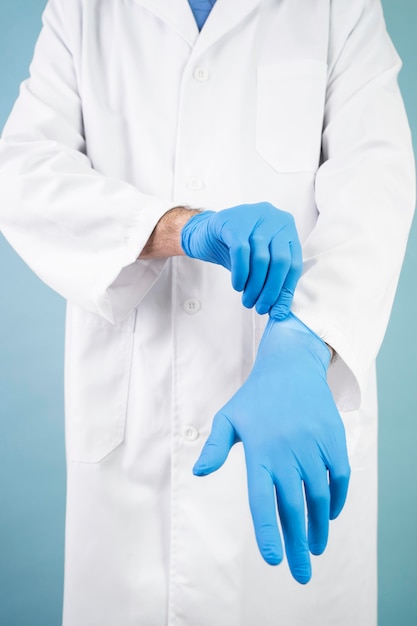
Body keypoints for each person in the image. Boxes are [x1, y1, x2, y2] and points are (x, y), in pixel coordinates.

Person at [0, 0, 415, 624]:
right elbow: (23, 174)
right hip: (134, 455)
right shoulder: (83, 10)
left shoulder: (341, 8)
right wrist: (182, 230)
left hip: (294, 418)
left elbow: (377, 184)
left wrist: (304, 340)